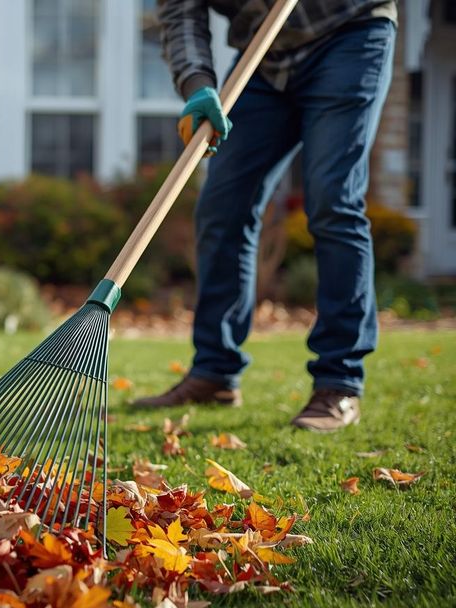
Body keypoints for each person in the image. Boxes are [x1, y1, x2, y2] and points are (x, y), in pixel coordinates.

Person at [133, 0, 397, 432]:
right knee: (222, 207)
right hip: (263, 56)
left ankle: (339, 382)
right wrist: (197, 84)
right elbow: (181, 12)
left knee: (333, 200)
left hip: (347, 31)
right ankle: (215, 371)